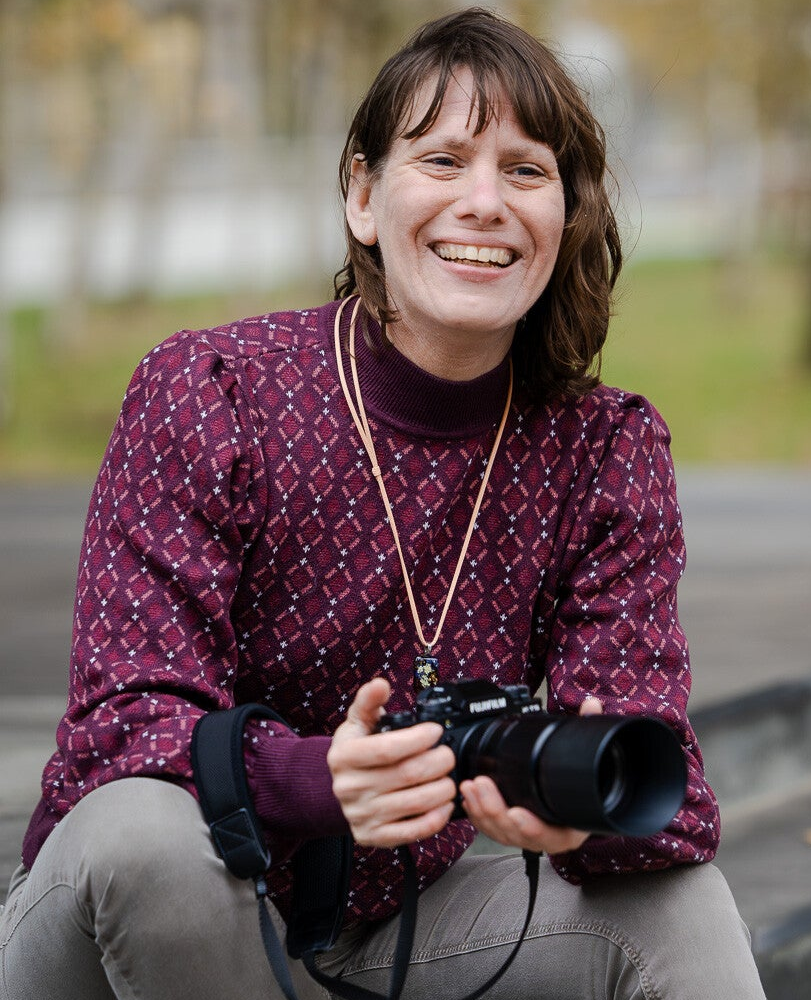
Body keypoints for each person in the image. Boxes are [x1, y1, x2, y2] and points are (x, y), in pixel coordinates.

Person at [0, 8, 765, 999]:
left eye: (525, 171)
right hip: (111, 939)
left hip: (378, 936)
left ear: (564, 214)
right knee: (147, 832)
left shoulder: (602, 449)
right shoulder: (211, 390)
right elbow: (120, 729)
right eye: (442, 160)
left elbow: (666, 783)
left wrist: (583, 813)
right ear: (362, 195)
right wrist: (314, 778)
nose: (484, 202)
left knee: (675, 899)